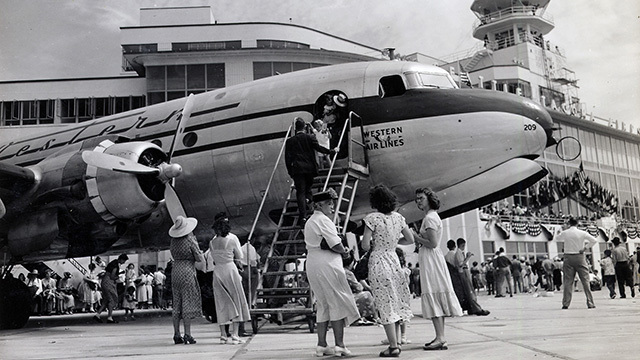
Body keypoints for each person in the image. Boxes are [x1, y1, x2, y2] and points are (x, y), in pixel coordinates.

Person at [304, 189, 360, 357]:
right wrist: (346, 253)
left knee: (322, 304)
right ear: (319, 205)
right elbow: (335, 243)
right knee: (337, 302)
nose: (333, 207)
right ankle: (340, 345)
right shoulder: (324, 220)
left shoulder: (310, 221)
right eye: (329, 203)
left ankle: (321, 345)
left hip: (313, 262)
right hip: (327, 263)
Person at [361, 184, 414, 357]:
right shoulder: (399, 218)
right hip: (394, 260)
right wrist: (393, 244)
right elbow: (410, 239)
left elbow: (364, 244)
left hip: (378, 261)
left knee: (385, 303)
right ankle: (397, 341)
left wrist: (377, 245)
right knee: (396, 301)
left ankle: (393, 346)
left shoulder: (372, 218)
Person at [412, 188, 463, 351]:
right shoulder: (431, 217)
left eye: (421, 198)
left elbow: (432, 243)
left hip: (431, 258)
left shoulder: (429, 218)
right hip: (431, 258)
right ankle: (439, 336)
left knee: (433, 293)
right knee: (434, 294)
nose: (418, 201)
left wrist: (414, 236)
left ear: (429, 199)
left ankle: (441, 337)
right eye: (417, 199)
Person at [285, 117, 336, 226]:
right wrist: (332, 151)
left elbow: (287, 158)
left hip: (298, 170)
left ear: (295, 128)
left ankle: (303, 216)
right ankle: (309, 203)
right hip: (309, 169)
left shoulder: (290, 141)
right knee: (308, 190)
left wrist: (290, 172)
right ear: (304, 127)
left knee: (301, 192)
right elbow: (319, 148)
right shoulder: (310, 137)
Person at [209, 215, 251, 345]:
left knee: (221, 303)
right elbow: (239, 256)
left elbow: (213, 258)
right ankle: (235, 334)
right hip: (230, 269)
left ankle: (223, 335)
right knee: (236, 299)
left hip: (218, 271)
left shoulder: (212, 242)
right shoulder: (232, 240)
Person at [169, 216, 204, 344]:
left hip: (176, 270)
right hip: (187, 270)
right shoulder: (190, 240)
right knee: (187, 302)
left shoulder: (173, 241)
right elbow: (199, 257)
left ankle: (176, 334)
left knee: (176, 303)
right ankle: (187, 334)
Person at [555, 217, 597, 309]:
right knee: (585, 281)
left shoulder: (565, 233)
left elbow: (556, 239)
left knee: (568, 281)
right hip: (580, 256)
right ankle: (590, 302)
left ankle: (566, 303)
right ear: (577, 223)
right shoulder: (582, 233)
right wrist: (585, 248)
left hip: (568, 257)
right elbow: (594, 240)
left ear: (569, 223)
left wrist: (561, 230)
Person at [446, 238, 490, 316]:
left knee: (467, 292)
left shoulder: (446, 256)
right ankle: (476, 308)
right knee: (470, 291)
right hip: (463, 272)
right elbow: (460, 265)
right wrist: (468, 257)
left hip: (455, 276)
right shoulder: (458, 253)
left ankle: (471, 308)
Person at [94, 253, 129, 323]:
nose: (124, 262)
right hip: (109, 283)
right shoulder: (115, 266)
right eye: (124, 261)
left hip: (105, 282)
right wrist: (119, 276)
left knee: (106, 299)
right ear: (122, 259)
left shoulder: (112, 263)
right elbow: (112, 276)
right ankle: (109, 317)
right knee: (112, 299)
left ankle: (98, 314)